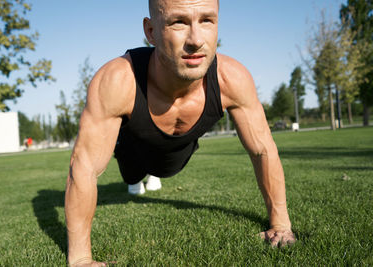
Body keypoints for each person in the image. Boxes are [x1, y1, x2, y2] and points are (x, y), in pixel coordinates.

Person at [65, 0, 296, 265]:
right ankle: (136, 176)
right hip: (133, 146)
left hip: (178, 151)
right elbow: (82, 168)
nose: (196, 40)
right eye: (179, 22)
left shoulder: (232, 78)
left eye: (207, 20)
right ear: (151, 32)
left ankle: (153, 172)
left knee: (165, 167)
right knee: (132, 176)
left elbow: (262, 149)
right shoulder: (117, 80)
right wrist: (81, 259)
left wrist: (280, 224)